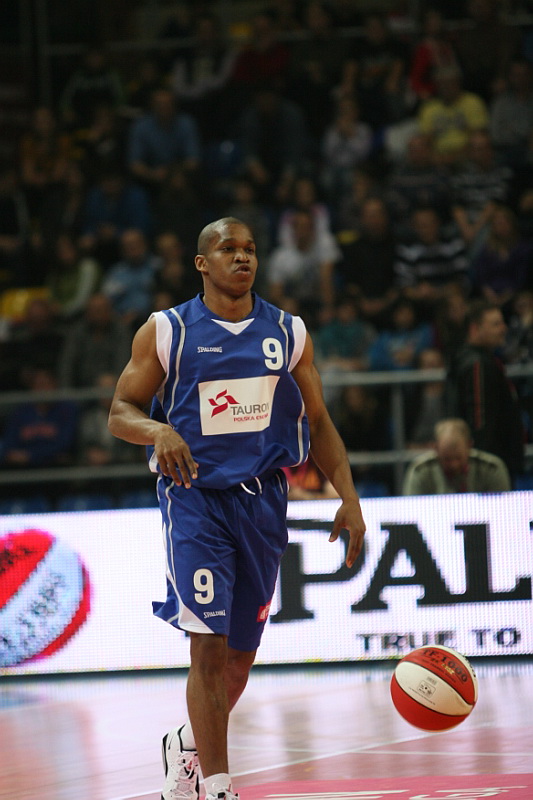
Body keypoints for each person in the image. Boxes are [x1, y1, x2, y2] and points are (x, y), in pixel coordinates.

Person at [107, 216, 366, 800]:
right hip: (195, 498)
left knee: (240, 661)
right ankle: (220, 785)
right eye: (229, 249)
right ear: (202, 263)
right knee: (208, 642)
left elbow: (319, 422)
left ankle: (187, 744)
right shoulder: (168, 330)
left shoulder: (288, 331)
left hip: (264, 501)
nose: (242, 257)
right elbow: (120, 411)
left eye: (250, 248)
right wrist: (158, 431)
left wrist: (348, 497)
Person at [446, 300, 525, 480]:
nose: (503, 328)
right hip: (490, 467)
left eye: (502, 323)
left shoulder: (481, 360)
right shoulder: (477, 364)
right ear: (475, 329)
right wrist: (482, 467)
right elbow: (479, 418)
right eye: (496, 324)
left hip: (496, 461)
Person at [403, 417, 511, 495]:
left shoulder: (491, 469)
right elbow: (412, 512)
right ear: (436, 448)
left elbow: (502, 510)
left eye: (458, 458)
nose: (453, 465)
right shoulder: (420, 471)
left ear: (469, 446)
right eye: (447, 459)